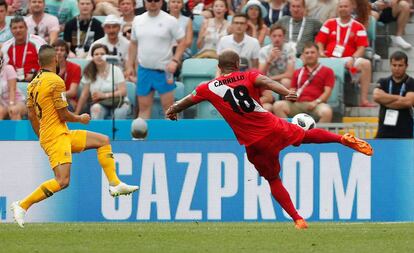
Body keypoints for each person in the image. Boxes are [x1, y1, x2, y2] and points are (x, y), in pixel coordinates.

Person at [165, 49, 373, 229]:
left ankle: (298, 219)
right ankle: (341, 139)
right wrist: (286, 92)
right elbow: (266, 81)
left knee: (273, 180)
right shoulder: (249, 75)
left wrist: (173, 109)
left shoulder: (207, 87)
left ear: (219, 67)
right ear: (237, 65)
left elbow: (187, 100)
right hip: (272, 127)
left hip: (253, 143)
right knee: (305, 135)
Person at [10, 45, 139, 228]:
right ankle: (22, 205)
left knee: (103, 141)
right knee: (62, 181)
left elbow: (31, 115)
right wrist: (80, 118)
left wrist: (42, 136)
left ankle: (115, 183)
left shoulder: (32, 84)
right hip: (57, 136)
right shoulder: (55, 81)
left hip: (58, 134)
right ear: (55, 60)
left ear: (39, 62)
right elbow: (64, 115)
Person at [125, 0, 186, 119]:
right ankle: (141, 137)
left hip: (164, 70)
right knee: (143, 108)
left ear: (161, 2)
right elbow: (133, 43)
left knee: (169, 109)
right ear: (144, 2)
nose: (152, 3)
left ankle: (172, 137)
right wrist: (129, 65)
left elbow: (182, 41)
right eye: (149, 0)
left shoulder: (170, 20)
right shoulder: (138, 20)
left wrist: (175, 61)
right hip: (144, 70)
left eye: (156, 0)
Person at [315, 0, 375, 107]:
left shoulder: (358, 26)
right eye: (341, 6)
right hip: (329, 59)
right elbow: (319, 42)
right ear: (337, 8)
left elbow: (361, 48)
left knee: (365, 64)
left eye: (346, 6)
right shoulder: (329, 23)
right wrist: (320, 52)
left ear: (352, 8)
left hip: (349, 59)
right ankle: (315, 98)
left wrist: (353, 58)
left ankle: (363, 100)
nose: (343, 9)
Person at [273, 42, 334, 122]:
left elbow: (327, 92)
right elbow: (292, 89)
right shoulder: (297, 72)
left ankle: (317, 134)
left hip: (316, 104)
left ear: (318, 54)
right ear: (303, 55)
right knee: (278, 106)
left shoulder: (327, 71)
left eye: (312, 52)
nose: (309, 55)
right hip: (298, 103)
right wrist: (290, 96)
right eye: (307, 53)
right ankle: (290, 132)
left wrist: (316, 102)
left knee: (327, 111)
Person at [76, 44, 130, 119]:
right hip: (100, 103)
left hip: (118, 103)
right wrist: (75, 114)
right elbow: (84, 95)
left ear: (107, 56)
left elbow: (123, 91)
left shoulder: (115, 70)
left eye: (102, 54)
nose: (99, 56)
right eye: (96, 54)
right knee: (96, 109)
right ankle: (97, 131)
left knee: (119, 113)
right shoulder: (89, 72)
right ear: (92, 57)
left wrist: (104, 95)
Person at [373, 51, 414, 138]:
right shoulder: (383, 81)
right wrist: (400, 98)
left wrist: (385, 101)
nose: (397, 68)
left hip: (404, 132)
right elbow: (376, 96)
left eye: (400, 65)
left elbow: (408, 102)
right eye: (394, 65)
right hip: (384, 131)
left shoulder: (411, 82)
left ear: (406, 66)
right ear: (390, 65)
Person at [1, 16, 46, 82]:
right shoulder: (6, 46)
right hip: (13, 84)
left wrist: (36, 75)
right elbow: (3, 70)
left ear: (26, 28)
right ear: (11, 30)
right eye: (14, 28)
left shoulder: (38, 42)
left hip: (37, 82)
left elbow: (48, 64)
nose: (18, 30)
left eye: (21, 27)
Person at [258, 24, 294, 89]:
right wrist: (269, 60)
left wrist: (270, 78)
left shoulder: (290, 50)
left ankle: (286, 99)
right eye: (274, 36)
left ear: (284, 37)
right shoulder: (263, 51)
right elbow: (260, 73)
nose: (277, 38)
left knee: (286, 82)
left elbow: (289, 74)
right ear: (270, 37)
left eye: (280, 36)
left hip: (282, 78)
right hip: (266, 80)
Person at [53, 39, 81, 111]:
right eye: (56, 50)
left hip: (68, 101)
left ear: (66, 53)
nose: (59, 52)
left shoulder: (75, 68)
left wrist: (57, 96)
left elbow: (72, 92)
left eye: (62, 50)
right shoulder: (46, 68)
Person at [0, 52, 26, 119]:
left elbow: (12, 89)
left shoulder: (9, 68)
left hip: (16, 100)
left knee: (14, 110)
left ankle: (19, 130)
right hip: (2, 103)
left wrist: (11, 104)